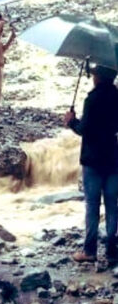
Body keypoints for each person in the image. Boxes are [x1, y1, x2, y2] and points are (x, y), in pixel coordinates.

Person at [63, 64, 118, 265]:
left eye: (95, 72)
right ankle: (112, 250)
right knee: (113, 205)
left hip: (92, 159)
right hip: (113, 158)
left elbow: (85, 129)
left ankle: (90, 250)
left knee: (92, 205)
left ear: (100, 77)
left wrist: (71, 121)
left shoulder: (92, 99)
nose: (92, 75)